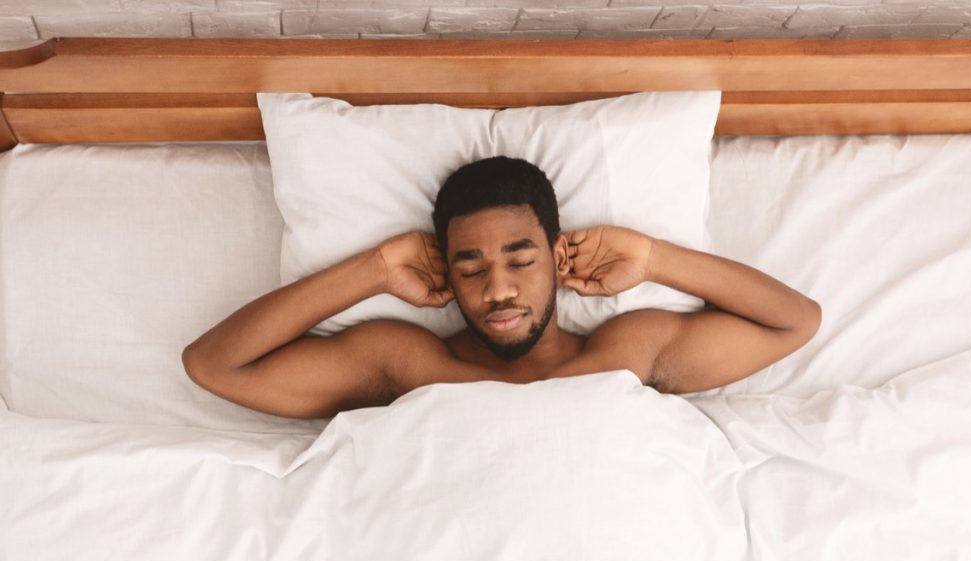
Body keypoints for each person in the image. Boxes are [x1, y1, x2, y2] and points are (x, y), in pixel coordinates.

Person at [182, 156, 821, 419]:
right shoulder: (405, 361)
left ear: (557, 254)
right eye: (470, 269)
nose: (498, 291)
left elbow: (794, 320)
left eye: (521, 261)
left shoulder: (628, 350)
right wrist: (375, 270)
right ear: (448, 277)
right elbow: (213, 365)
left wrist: (652, 258)